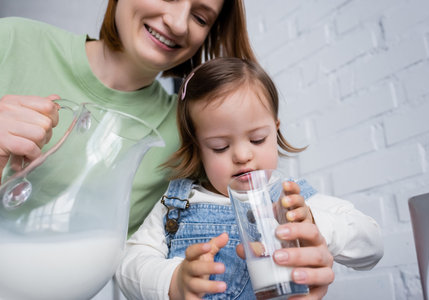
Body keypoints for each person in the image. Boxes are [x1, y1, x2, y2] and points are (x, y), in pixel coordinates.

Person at [0, 0, 336, 297]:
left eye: (201, 17)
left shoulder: (188, 137)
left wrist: (310, 248)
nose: (178, 23)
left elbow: (144, 254)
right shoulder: (12, 41)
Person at [115, 57, 383, 299]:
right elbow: (129, 264)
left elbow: (372, 242)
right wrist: (173, 281)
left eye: (257, 139)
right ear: (198, 148)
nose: (243, 155)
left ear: (275, 131)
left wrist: (314, 224)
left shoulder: (293, 200)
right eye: (220, 146)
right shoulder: (176, 204)